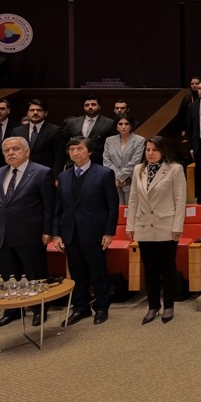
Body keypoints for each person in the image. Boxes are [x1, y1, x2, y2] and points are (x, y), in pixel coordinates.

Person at [0, 136, 55, 328]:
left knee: (35, 275)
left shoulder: (42, 172)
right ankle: (12, 311)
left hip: (30, 233)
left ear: (27, 151)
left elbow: (49, 206)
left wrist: (48, 230)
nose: (11, 153)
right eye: (6, 150)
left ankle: (38, 309)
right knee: (8, 276)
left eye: (15, 149)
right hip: (3, 234)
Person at [52, 138, 118, 326]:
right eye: (71, 149)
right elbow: (59, 207)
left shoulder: (104, 173)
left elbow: (112, 207)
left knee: (98, 272)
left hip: (95, 231)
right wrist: (56, 233)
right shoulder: (64, 176)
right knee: (77, 273)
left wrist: (109, 232)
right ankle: (81, 308)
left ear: (89, 152)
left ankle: (102, 307)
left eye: (79, 148)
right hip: (70, 232)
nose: (75, 152)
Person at [127, 136, 187, 325]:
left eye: (154, 150)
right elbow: (133, 199)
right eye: (148, 150)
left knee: (167, 269)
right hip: (144, 225)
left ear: (163, 151)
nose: (150, 153)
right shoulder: (139, 169)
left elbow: (180, 199)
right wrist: (130, 225)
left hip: (166, 226)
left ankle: (168, 305)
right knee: (150, 269)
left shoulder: (175, 169)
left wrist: (178, 226)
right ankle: (153, 306)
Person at [13, 99, 66, 178]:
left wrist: (56, 176)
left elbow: (60, 156)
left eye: (39, 110)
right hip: (22, 174)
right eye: (32, 110)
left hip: (46, 174)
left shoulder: (55, 130)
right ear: (27, 113)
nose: (35, 112)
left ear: (46, 113)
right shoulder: (17, 131)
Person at [102, 115, 146, 206]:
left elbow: (135, 161)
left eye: (126, 124)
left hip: (131, 180)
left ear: (131, 126)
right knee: (115, 211)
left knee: (131, 211)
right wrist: (116, 178)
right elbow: (106, 161)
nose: (123, 126)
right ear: (116, 126)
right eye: (120, 124)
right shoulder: (109, 140)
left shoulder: (140, 140)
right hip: (113, 182)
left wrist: (120, 177)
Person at [63, 96, 116, 164]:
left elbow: (112, 146)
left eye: (93, 104)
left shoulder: (109, 123)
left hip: (99, 162)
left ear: (99, 106)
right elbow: (64, 143)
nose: (90, 107)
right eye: (87, 105)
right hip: (75, 162)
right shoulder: (72, 122)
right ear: (83, 107)